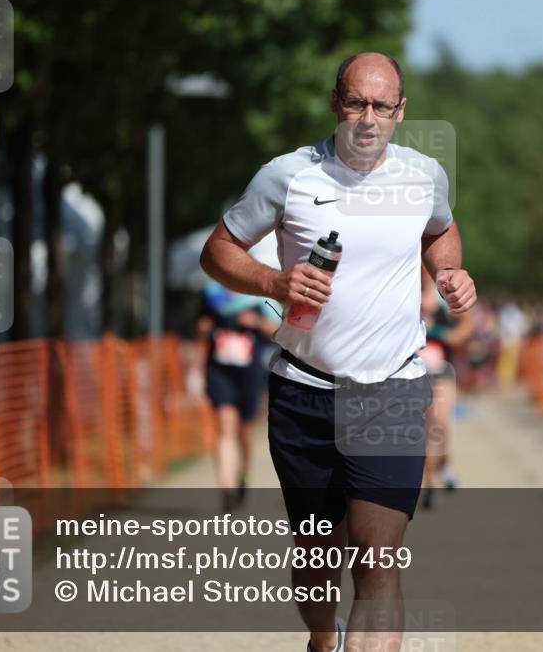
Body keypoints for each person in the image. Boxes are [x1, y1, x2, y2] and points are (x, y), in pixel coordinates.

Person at [200, 52, 477, 652]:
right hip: (304, 389)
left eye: (381, 105)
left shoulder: (424, 175)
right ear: (336, 103)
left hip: (392, 390)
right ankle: (323, 640)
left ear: (401, 111)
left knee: (378, 558)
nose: (368, 118)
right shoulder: (288, 176)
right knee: (318, 555)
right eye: (356, 102)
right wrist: (274, 282)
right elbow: (218, 251)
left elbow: (440, 228)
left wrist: (450, 271)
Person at [196, 279, 278, 512]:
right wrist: (204, 328)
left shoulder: (258, 294)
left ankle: (242, 473)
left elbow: (277, 330)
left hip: (250, 372)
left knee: (244, 430)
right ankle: (227, 489)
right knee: (224, 425)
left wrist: (256, 322)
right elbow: (201, 325)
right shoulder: (212, 294)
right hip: (220, 370)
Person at [417, 270, 475, 509]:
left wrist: (442, 333)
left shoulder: (444, 293)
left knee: (439, 425)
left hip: (442, 372)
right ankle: (429, 484)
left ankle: (444, 466)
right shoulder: (403, 287)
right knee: (423, 432)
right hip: (414, 372)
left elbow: (467, 326)